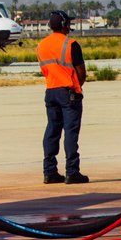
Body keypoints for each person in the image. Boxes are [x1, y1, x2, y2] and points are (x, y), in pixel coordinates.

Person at [37, 9, 89, 184]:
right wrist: (76, 87)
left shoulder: (41, 45)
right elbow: (82, 72)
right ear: (65, 25)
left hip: (51, 90)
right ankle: (72, 171)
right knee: (71, 132)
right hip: (69, 92)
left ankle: (49, 171)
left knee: (52, 130)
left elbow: (44, 70)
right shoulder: (71, 44)